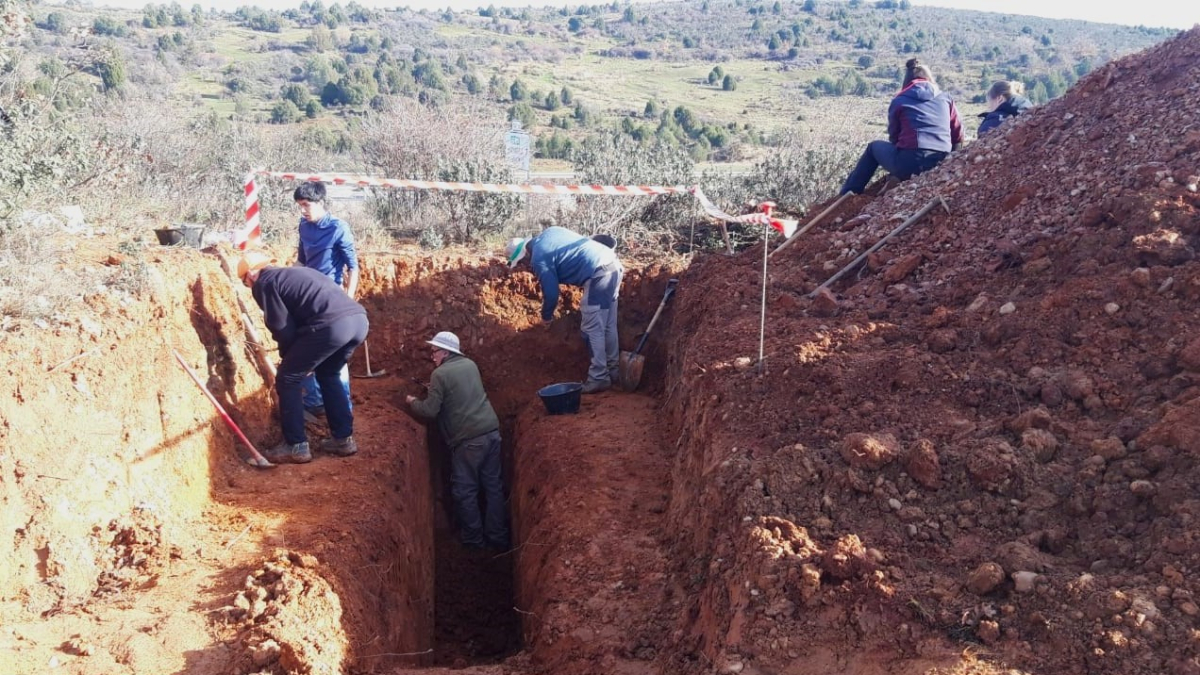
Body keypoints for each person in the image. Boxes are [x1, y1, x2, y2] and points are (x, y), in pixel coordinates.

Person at [238, 250, 369, 464]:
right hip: (358, 321)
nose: (249, 287)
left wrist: (289, 359)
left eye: (245, 283)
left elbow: (282, 327)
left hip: (331, 325)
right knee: (329, 373)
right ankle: (343, 440)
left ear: (251, 274)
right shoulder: (294, 274)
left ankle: (295, 446)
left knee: (288, 378)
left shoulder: (265, 283)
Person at [406, 332, 509, 550]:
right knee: (493, 488)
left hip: (469, 440)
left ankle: (473, 542)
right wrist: (435, 390)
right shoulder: (470, 365)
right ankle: (498, 538)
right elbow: (461, 393)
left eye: (434, 352)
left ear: (445, 352)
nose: (432, 356)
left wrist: (413, 401)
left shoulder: (440, 374)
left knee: (466, 491)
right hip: (491, 432)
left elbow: (430, 411)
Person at [506, 227, 623, 394]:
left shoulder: (539, 258)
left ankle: (599, 377)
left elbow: (551, 294)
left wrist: (546, 317)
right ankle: (614, 371)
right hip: (614, 265)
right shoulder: (549, 232)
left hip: (599, 274)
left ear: (525, 255)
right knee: (608, 325)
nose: (526, 267)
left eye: (522, 263)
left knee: (591, 328)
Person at [840, 58, 964, 196]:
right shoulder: (946, 98)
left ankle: (849, 193)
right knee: (907, 157)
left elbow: (894, 135)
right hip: (941, 162)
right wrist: (951, 161)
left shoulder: (900, 100)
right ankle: (903, 176)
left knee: (873, 148)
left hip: (910, 161)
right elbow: (958, 134)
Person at [293, 181, 360, 425]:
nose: (303, 210)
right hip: (307, 297)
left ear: (319, 202)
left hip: (332, 298)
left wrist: (348, 298)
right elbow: (301, 262)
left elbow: (353, 267)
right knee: (306, 348)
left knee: (334, 354)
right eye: (300, 205)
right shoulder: (303, 226)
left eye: (306, 205)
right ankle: (315, 401)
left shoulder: (338, 228)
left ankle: (344, 408)